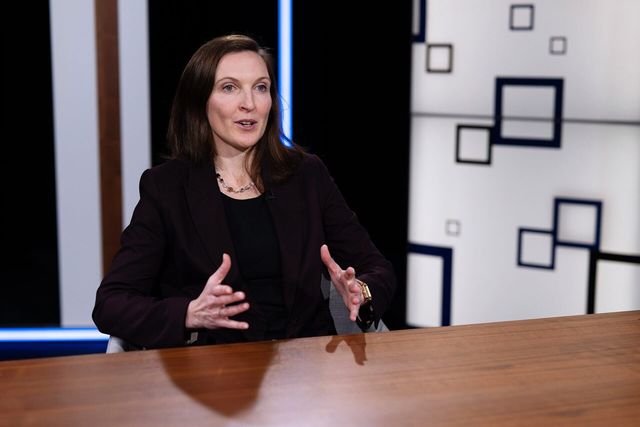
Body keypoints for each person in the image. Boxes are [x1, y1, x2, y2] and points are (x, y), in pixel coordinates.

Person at [92, 34, 396, 349]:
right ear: (200, 100)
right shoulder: (167, 187)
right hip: (215, 368)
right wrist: (189, 314)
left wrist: (362, 292)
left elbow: (378, 268)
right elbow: (111, 303)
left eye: (260, 87)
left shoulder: (306, 174)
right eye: (229, 87)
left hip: (306, 363)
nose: (249, 103)